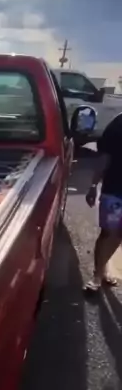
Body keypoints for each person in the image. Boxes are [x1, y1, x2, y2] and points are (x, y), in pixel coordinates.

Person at [85, 112, 122, 291]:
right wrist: (93, 185)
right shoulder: (118, 124)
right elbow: (104, 157)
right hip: (115, 191)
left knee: (119, 233)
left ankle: (103, 269)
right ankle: (97, 275)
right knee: (108, 232)